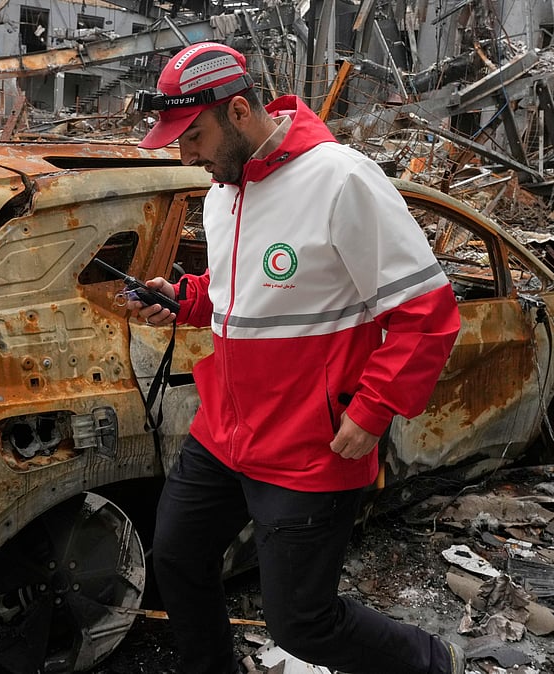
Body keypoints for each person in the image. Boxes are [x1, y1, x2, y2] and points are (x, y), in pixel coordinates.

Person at [129, 41, 465, 674]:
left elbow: (427, 313)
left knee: (303, 624)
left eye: (193, 136)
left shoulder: (340, 178)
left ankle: (430, 662)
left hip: (308, 450)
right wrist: (183, 300)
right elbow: (243, 296)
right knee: (175, 558)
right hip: (225, 433)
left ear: (237, 111)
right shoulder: (222, 192)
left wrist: (372, 411)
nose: (186, 154)